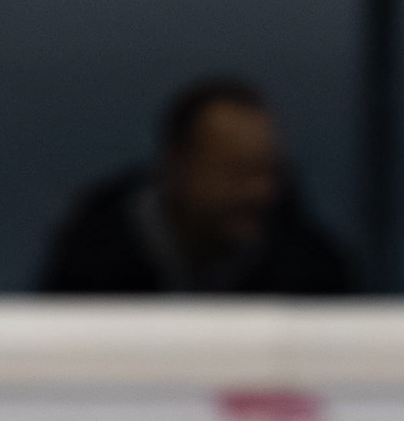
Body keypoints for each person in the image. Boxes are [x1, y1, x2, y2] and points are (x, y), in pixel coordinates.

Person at [35, 75, 358, 296]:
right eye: (237, 173)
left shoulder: (310, 269)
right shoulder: (90, 260)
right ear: (179, 166)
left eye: (270, 172)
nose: (261, 191)